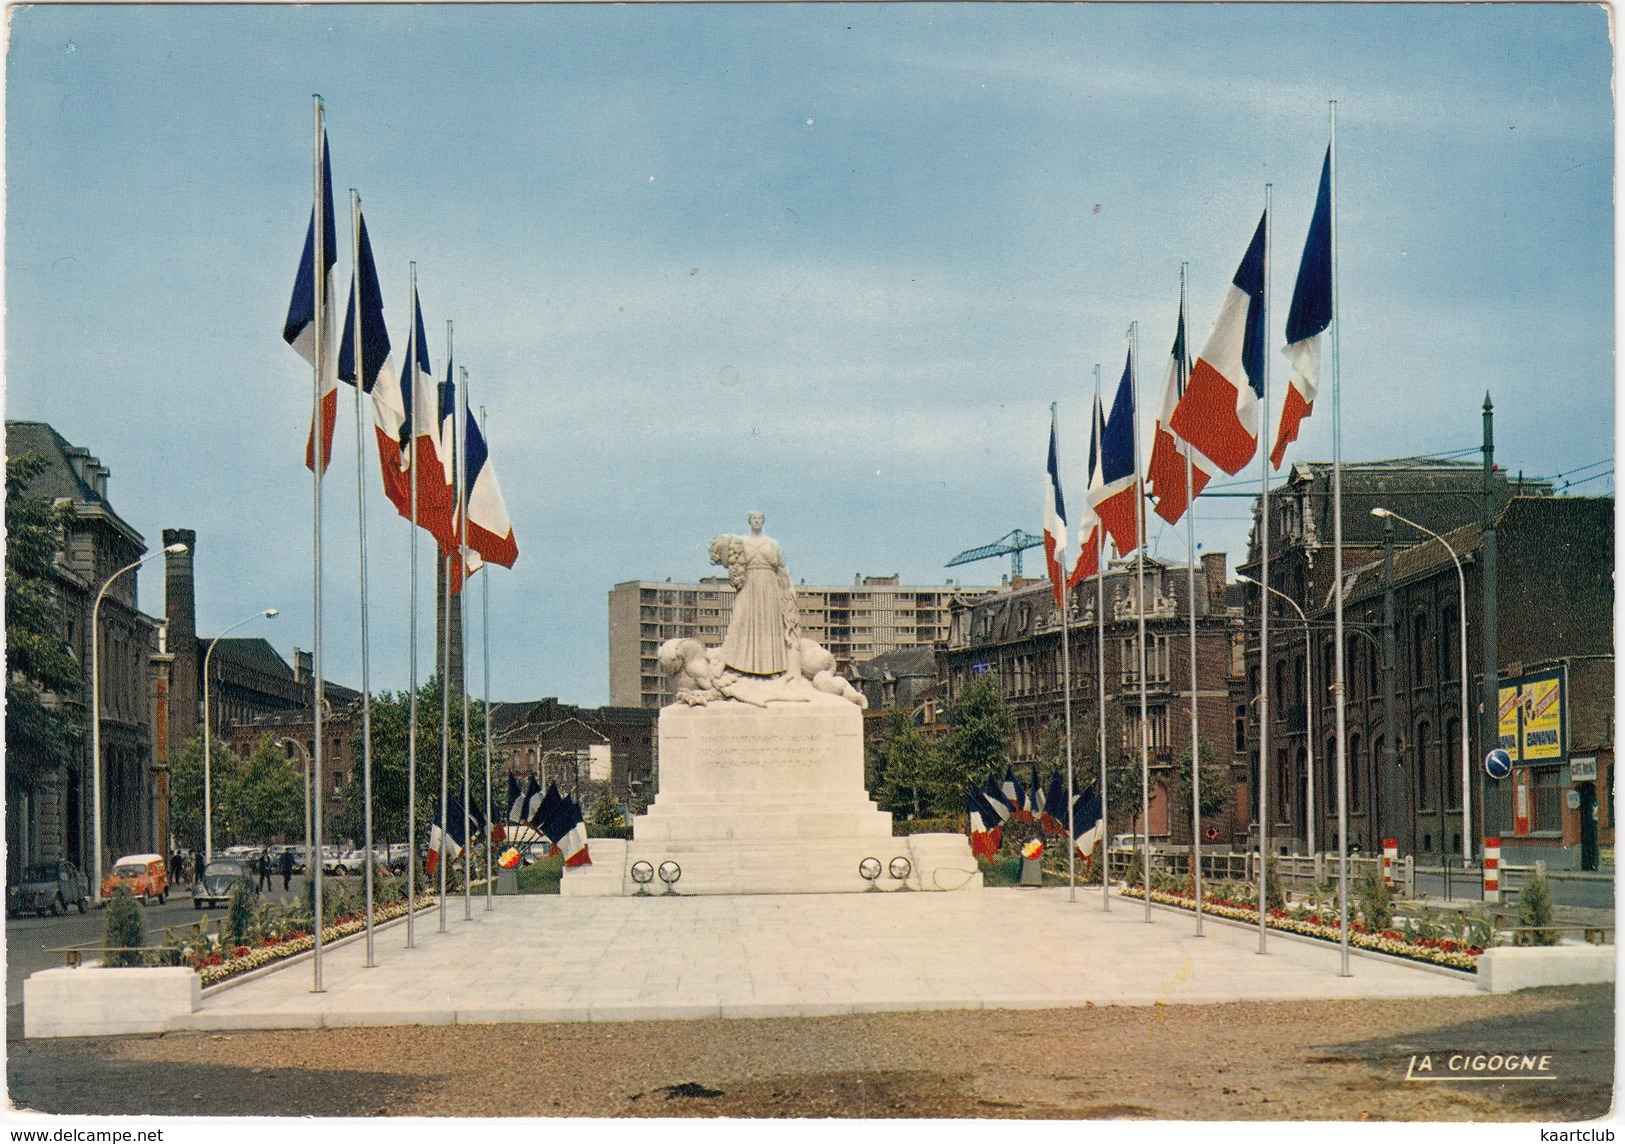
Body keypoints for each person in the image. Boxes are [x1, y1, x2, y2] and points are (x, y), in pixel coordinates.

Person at [711, 511, 800, 676]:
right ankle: (732, 664)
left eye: (759, 518)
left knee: (768, 625)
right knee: (740, 620)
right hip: (749, 585)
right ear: (749, 521)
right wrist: (724, 544)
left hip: (769, 586)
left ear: (763, 521)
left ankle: (771, 669)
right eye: (754, 518)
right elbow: (726, 560)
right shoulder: (742, 542)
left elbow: (783, 568)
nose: (757, 521)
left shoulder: (773, 544)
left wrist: (790, 587)